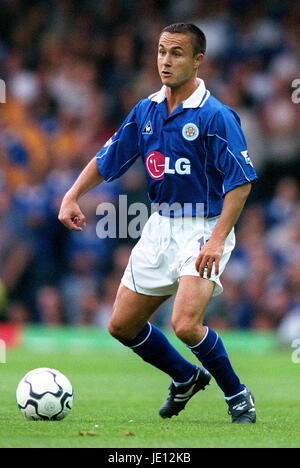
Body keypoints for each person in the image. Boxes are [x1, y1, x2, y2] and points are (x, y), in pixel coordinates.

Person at [58, 23, 258, 424]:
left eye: (177, 53)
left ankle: (238, 395)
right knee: (121, 325)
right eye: (162, 52)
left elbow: (241, 183)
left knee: (184, 324)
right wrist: (72, 193)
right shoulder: (146, 109)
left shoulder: (215, 116)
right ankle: (184, 377)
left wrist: (217, 241)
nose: (166, 61)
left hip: (203, 227)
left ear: (198, 60)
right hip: (159, 226)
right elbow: (109, 156)